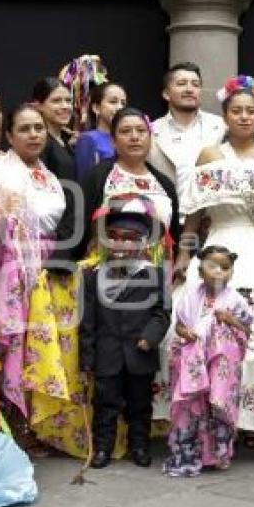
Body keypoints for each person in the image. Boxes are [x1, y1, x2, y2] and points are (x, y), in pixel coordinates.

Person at [173, 75, 254, 437]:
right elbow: (194, 218)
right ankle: (211, 411)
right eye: (237, 111)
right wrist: (183, 259)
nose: (245, 117)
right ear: (225, 116)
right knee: (208, 330)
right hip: (218, 247)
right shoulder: (209, 156)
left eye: (251, 111)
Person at [0, 103, 69, 456]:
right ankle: (14, 423)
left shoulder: (48, 174)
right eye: (25, 129)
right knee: (16, 341)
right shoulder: (1, 174)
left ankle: (42, 423)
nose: (33, 135)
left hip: (46, 264)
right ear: (10, 136)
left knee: (44, 342)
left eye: (39, 129)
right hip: (12, 266)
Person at [80, 196, 171, 469]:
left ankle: (140, 446)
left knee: (139, 404)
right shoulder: (92, 276)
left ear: (143, 243)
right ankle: (102, 449)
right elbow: (87, 323)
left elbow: (161, 313)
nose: (121, 244)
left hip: (140, 353)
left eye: (129, 238)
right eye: (114, 237)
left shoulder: (154, 275)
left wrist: (150, 337)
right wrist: (87, 361)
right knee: (105, 404)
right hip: (107, 354)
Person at [163, 245, 253, 477]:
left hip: (220, 361)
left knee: (217, 404)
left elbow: (246, 331)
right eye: (212, 266)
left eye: (225, 267)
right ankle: (187, 454)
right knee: (191, 407)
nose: (219, 272)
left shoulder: (237, 300)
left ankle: (217, 453)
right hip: (193, 357)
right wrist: (186, 334)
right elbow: (180, 325)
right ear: (200, 270)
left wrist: (229, 320)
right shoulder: (190, 295)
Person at [78, 107, 181, 259]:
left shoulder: (165, 184)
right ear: (113, 140)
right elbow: (78, 223)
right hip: (108, 269)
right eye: (125, 131)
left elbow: (174, 235)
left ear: (150, 137)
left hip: (156, 272)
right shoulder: (98, 176)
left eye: (141, 131)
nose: (134, 137)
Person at [147, 62, 225, 198]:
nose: (190, 89)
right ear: (166, 94)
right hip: (166, 212)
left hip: (209, 212)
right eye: (182, 83)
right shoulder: (150, 131)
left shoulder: (222, 126)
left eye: (195, 84)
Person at [73, 81, 127, 181]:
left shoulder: (126, 139)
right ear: (96, 108)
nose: (120, 107)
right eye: (113, 102)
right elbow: (85, 181)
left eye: (123, 103)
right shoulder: (88, 139)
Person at [32, 76, 77, 182]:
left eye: (68, 101)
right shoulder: (38, 142)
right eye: (56, 101)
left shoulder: (67, 141)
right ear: (38, 106)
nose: (65, 106)